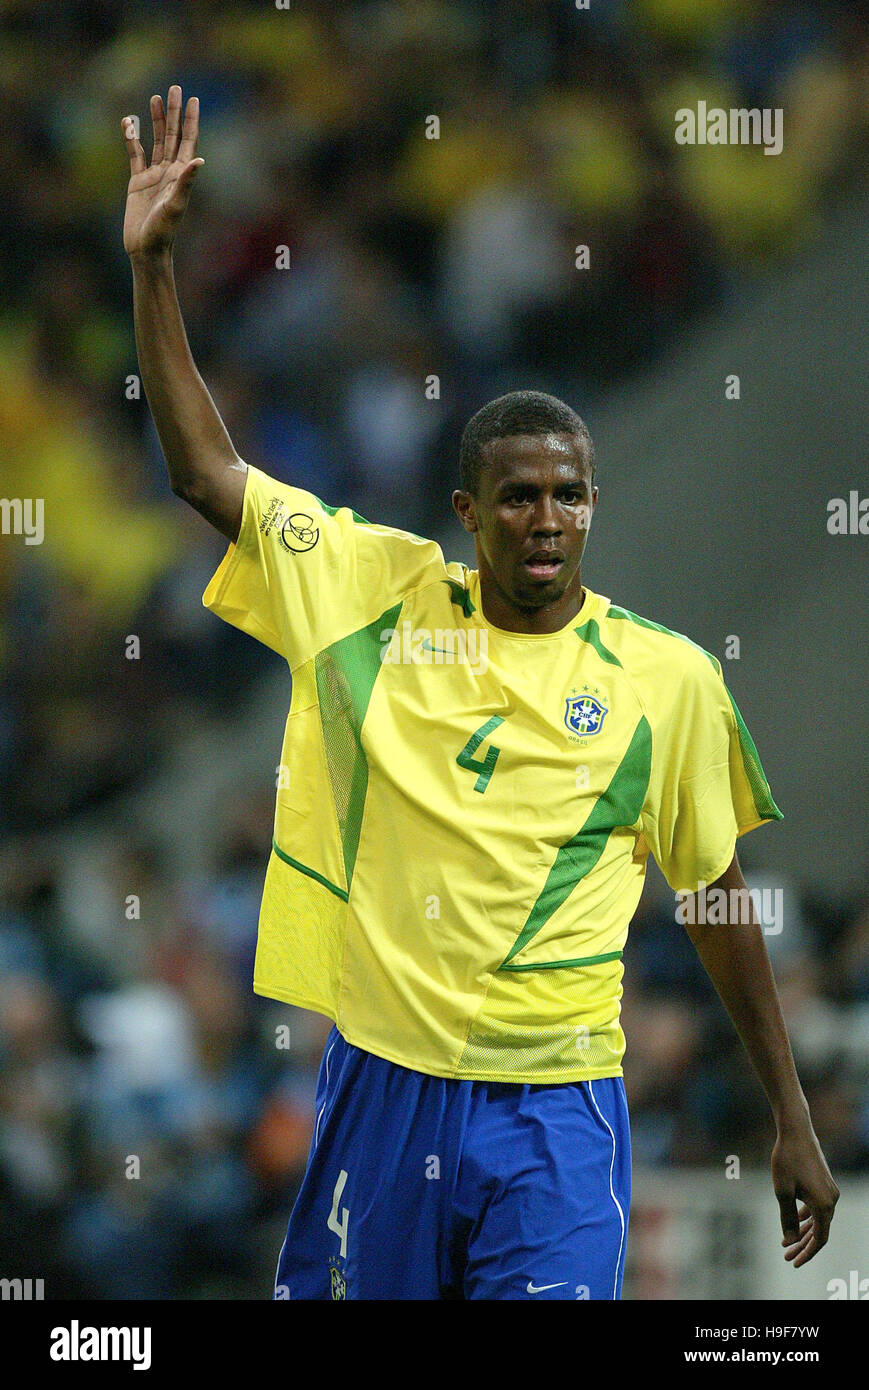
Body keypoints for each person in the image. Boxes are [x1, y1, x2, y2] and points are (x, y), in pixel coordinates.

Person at [122, 87, 840, 1300]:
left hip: (557, 1111)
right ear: (466, 514)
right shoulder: (369, 593)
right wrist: (153, 267)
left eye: (567, 493)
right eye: (516, 495)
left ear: (593, 506)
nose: (545, 517)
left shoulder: (668, 678)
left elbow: (715, 895)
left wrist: (790, 1115)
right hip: (384, 1089)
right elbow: (204, 471)